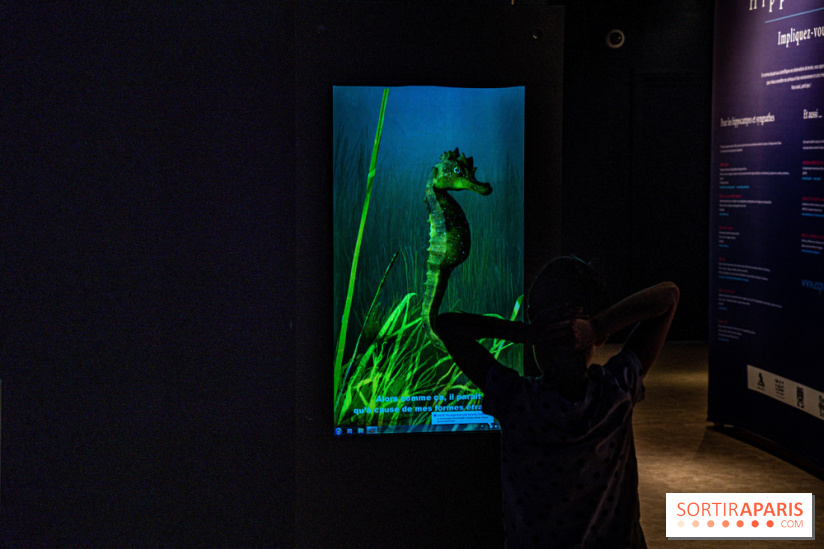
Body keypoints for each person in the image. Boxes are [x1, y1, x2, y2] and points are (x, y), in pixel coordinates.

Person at [437, 256, 679, 548]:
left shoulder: (514, 399)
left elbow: (446, 325)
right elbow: (668, 295)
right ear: (598, 340)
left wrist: (523, 332)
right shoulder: (617, 390)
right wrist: (598, 325)